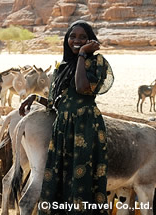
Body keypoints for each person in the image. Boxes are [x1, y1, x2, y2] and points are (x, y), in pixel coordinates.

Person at [19, 20, 114, 214]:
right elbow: (57, 103)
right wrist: (34, 97)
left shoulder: (96, 62)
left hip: (86, 127)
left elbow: (81, 87)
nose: (76, 40)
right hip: (63, 129)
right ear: (66, 39)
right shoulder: (62, 67)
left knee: (83, 180)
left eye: (82, 37)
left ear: (90, 40)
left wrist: (81, 55)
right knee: (59, 179)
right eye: (72, 36)